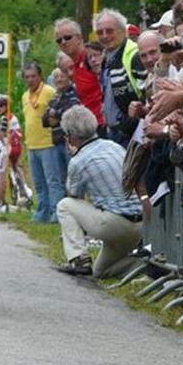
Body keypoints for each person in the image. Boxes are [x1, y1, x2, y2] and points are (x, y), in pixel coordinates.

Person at [56, 105, 144, 278]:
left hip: (113, 224)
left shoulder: (78, 160)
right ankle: (145, 265)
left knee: (64, 205)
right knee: (100, 272)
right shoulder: (114, 146)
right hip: (138, 225)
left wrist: (74, 157)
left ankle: (78, 258)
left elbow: (74, 195)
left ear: (71, 137)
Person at [96, 8, 147, 145]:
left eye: (110, 31)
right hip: (114, 131)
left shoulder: (134, 54)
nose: (105, 36)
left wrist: (127, 125)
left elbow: (148, 92)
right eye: (100, 32)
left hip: (133, 133)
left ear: (123, 31)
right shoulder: (107, 57)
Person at [21, 61, 63, 223]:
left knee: (53, 181)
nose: (30, 80)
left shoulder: (49, 92)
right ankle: (42, 212)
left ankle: (56, 213)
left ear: (40, 77)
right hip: (32, 144)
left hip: (48, 143)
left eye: (33, 76)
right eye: (27, 77)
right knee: (39, 183)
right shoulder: (25, 96)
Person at [53, 18, 104, 133]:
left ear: (80, 38)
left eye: (67, 37)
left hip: (104, 125)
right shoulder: (74, 64)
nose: (63, 42)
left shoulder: (91, 58)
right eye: (59, 40)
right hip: (90, 126)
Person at [43, 52, 81, 197]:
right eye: (56, 77)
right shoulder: (54, 96)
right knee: (61, 178)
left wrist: (55, 114)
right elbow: (45, 121)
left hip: (69, 141)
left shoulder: (74, 92)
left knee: (73, 178)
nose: (58, 79)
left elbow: (70, 113)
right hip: (56, 142)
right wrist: (56, 115)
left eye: (61, 76)